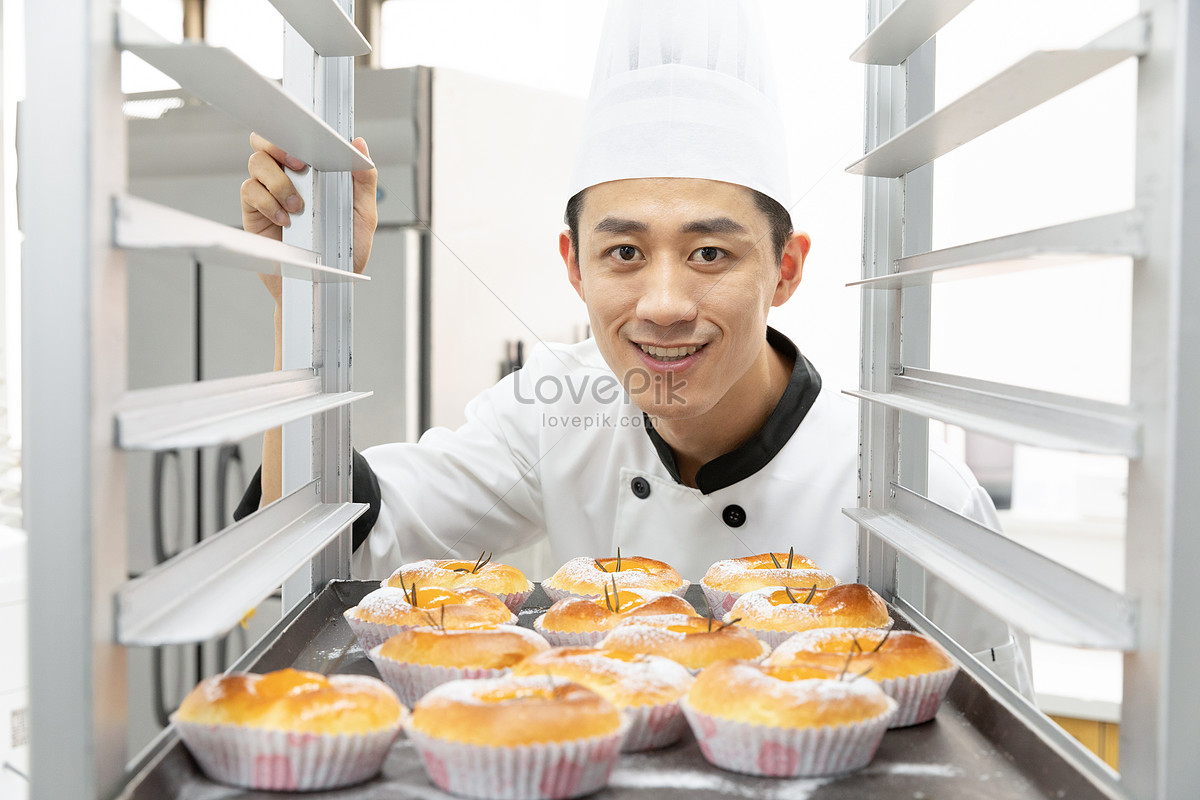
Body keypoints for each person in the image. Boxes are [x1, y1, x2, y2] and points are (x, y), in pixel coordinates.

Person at [237, 0, 1031, 694]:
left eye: (710, 253)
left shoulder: (920, 498)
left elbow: (998, 756)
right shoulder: (554, 409)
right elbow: (344, 543)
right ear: (573, 267)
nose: (663, 305)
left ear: (785, 270)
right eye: (623, 253)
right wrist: (304, 303)